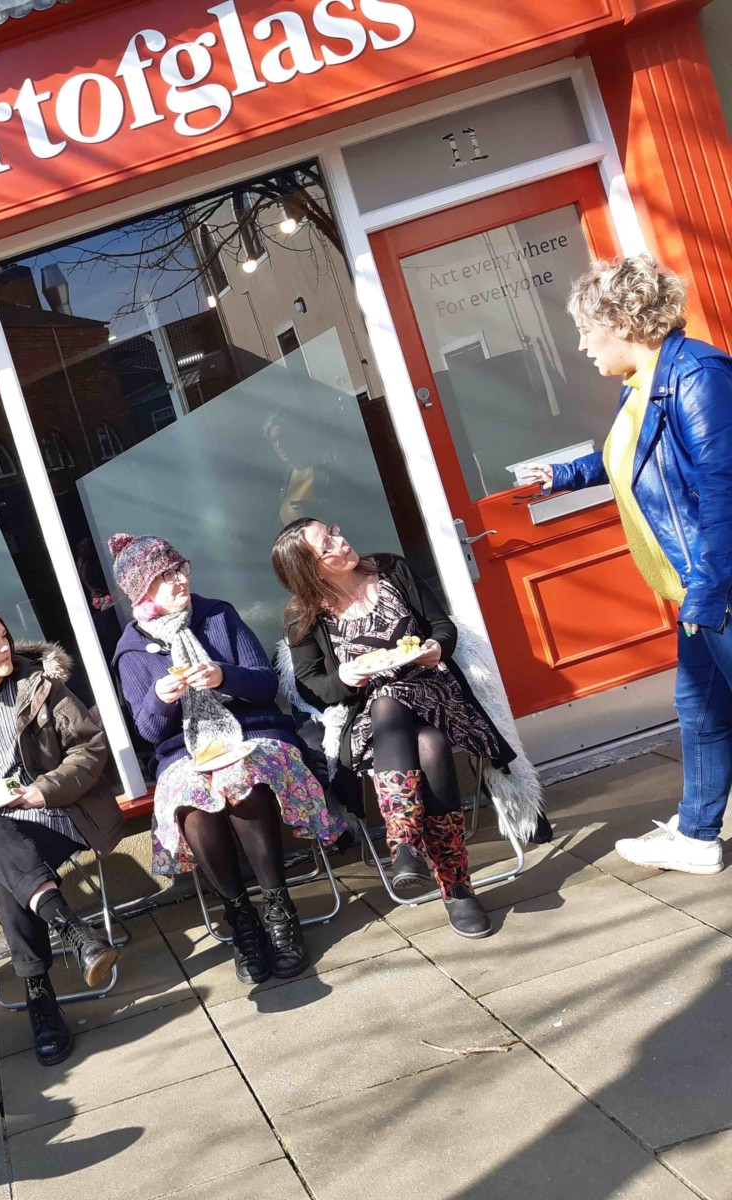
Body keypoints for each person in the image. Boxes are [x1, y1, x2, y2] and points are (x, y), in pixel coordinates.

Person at [527, 255, 732, 875]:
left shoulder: (697, 374)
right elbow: (636, 456)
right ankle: (697, 836)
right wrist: (567, 475)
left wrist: (711, 589)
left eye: (587, 329)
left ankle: (696, 834)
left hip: (717, 582)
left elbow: (724, 488)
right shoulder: (647, 384)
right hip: (701, 582)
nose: (582, 344)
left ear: (622, 320)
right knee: (700, 707)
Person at [108, 533, 347, 984]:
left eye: (180, 569)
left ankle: (279, 913)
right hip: (185, 752)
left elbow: (265, 685)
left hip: (254, 733)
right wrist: (161, 698)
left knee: (242, 782)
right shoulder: (131, 652)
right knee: (193, 803)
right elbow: (148, 731)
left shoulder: (219, 614)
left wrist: (224, 675)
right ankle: (241, 919)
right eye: (164, 577)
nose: (179, 580)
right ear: (143, 592)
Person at [273, 520, 520, 938]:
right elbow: (312, 685)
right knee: (430, 745)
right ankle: (458, 888)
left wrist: (436, 648)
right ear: (311, 570)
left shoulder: (390, 570)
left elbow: (441, 625)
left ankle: (404, 845)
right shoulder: (303, 615)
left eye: (334, 530)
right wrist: (346, 679)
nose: (341, 539)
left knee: (395, 703)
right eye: (327, 544)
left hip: (437, 692)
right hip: (372, 716)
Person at [0, 608, 124, 1066]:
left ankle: (40, 999)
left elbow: (89, 748)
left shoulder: (41, 689)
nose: (5, 647)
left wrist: (42, 791)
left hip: (53, 815)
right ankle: (74, 932)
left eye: (5, 637)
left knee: (7, 879)